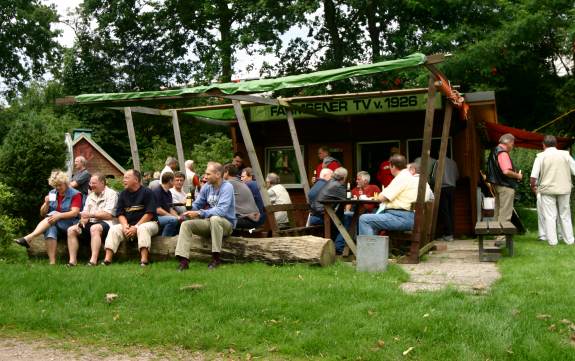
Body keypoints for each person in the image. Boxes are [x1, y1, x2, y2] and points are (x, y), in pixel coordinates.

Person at [175, 162, 236, 270]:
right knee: (186, 224)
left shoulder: (227, 187)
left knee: (215, 218)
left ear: (217, 174)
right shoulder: (207, 187)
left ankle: (216, 258)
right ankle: (183, 261)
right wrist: (188, 206)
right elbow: (197, 205)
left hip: (226, 224)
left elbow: (221, 211)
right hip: (210, 221)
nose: (205, 176)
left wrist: (199, 213)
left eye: (208, 174)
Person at [15, 170, 81, 265]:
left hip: (70, 223)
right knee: (50, 229)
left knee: (53, 214)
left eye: (59, 185)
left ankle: (29, 237)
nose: (57, 188)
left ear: (66, 183)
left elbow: (75, 213)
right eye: (55, 185)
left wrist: (59, 215)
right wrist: (46, 203)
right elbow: (42, 213)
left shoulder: (75, 194)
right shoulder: (53, 193)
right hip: (53, 221)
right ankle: (52, 262)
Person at [359, 154, 430, 235]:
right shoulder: (417, 179)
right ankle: (377, 245)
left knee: (364, 219)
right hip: (417, 217)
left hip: (403, 218)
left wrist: (380, 196)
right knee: (375, 217)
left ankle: (369, 247)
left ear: (392, 166)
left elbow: (382, 198)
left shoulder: (402, 177)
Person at [102, 170, 159, 267]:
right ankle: (107, 260)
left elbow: (149, 214)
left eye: (127, 177)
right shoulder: (123, 194)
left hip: (150, 223)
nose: (124, 180)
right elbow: (120, 213)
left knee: (142, 228)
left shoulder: (147, 192)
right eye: (124, 178)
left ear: (136, 180)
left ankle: (144, 260)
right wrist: (125, 226)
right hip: (129, 225)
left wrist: (136, 227)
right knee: (114, 229)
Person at [530, 135, 575, 246]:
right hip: (564, 189)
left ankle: (553, 242)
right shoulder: (566, 155)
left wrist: (533, 185)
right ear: (556, 144)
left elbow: (533, 176)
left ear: (543, 145)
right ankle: (569, 240)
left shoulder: (540, 156)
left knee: (550, 216)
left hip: (547, 189)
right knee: (565, 215)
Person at [66, 173, 118, 266]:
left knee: (95, 228)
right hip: (91, 222)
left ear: (102, 183)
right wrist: (82, 222)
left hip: (108, 223)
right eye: (90, 183)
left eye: (94, 183)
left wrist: (90, 215)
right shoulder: (90, 196)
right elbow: (85, 214)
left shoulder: (112, 194)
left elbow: (109, 215)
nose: (91, 185)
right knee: (71, 230)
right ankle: (72, 261)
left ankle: (93, 261)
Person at [486, 133, 522, 227]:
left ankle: (496, 233)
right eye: (512, 144)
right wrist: (518, 176)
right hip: (505, 186)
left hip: (497, 185)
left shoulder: (494, 150)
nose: (512, 147)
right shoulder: (502, 153)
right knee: (505, 213)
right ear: (508, 142)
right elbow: (506, 171)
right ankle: (501, 237)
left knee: (498, 211)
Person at [429, 157, 459, 241]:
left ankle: (448, 234)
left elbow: (433, 177)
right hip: (452, 188)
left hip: (442, 189)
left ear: (439, 152)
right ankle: (452, 233)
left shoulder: (437, 162)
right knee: (451, 211)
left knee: (444, 212)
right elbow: (457, 176)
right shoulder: (453, 162)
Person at [224, 164, 261, 229]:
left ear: (226, 172)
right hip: (254, 218)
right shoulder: (240, 183)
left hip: (248, 220)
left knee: (217, 221)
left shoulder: (229, 183)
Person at [152, 172, 180, 236]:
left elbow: (170, 208)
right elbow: (158, 210)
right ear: (170, 181)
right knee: (173, 220)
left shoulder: (169, 192)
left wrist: (178, 217)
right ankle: (164, 239)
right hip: (155, 217)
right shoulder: (157, 191)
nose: (175, 183)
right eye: (174, 180)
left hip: (164, 216)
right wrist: (171, 216)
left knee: (180, 220)